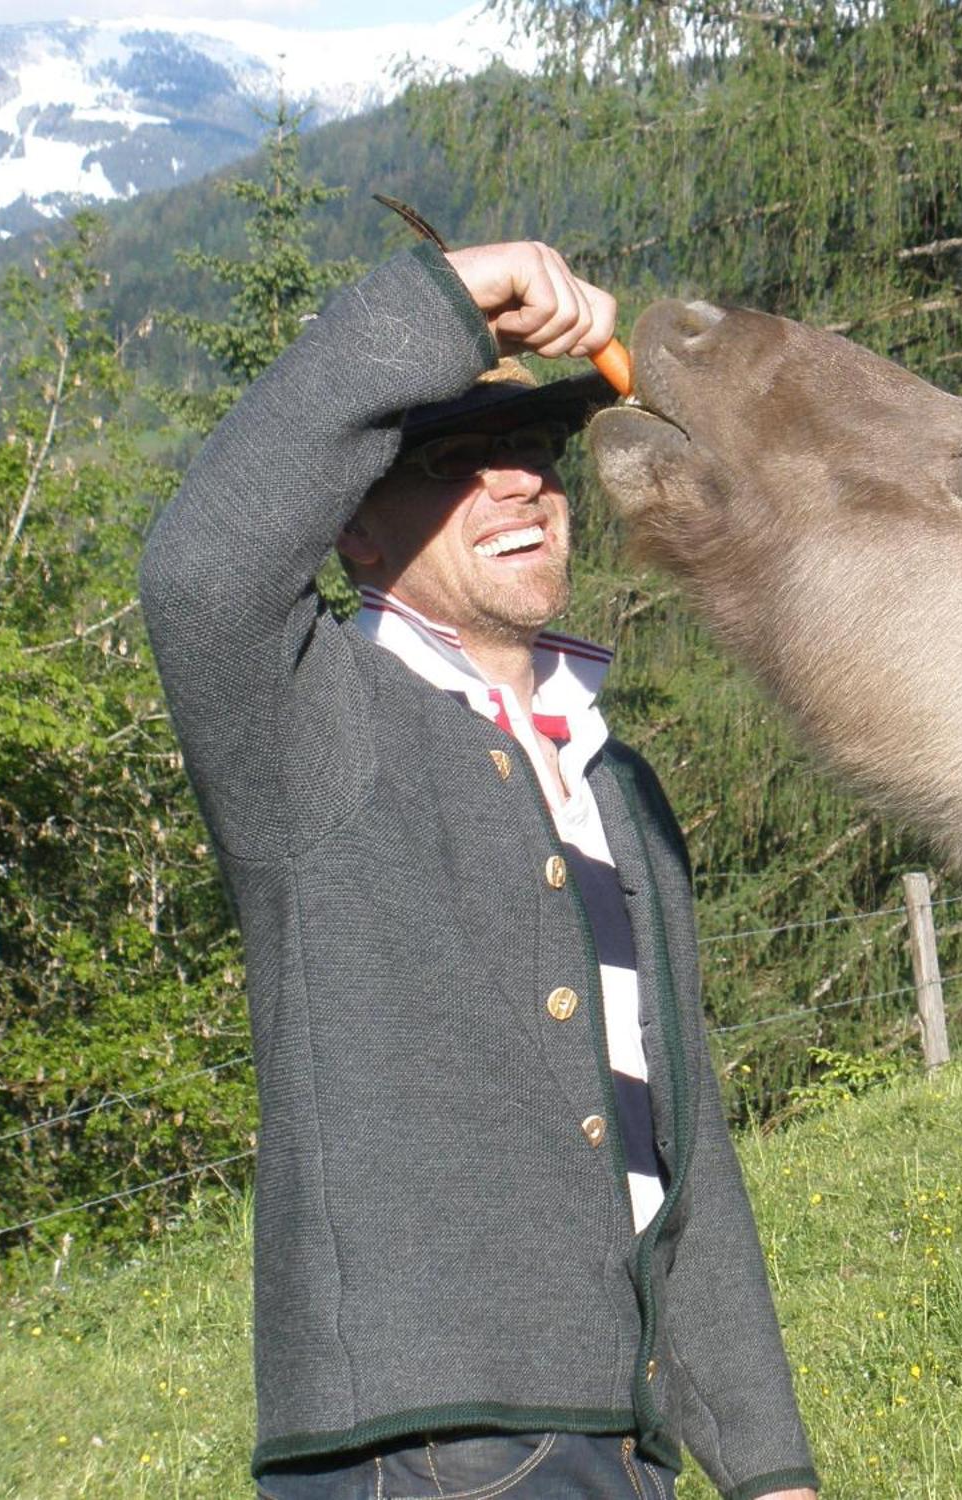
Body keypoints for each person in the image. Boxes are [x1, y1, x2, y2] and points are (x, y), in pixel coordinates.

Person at [139, 238, 820, 1500]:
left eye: (539, 457)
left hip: (622, 1439)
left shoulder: (617, 780)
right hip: (424, 1449)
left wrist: (768, 1465)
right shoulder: (313, 725)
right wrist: (445, 300)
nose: (521, 485)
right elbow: (199, 577)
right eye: (455, 464)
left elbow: (681, 1152)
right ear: (350, 529)